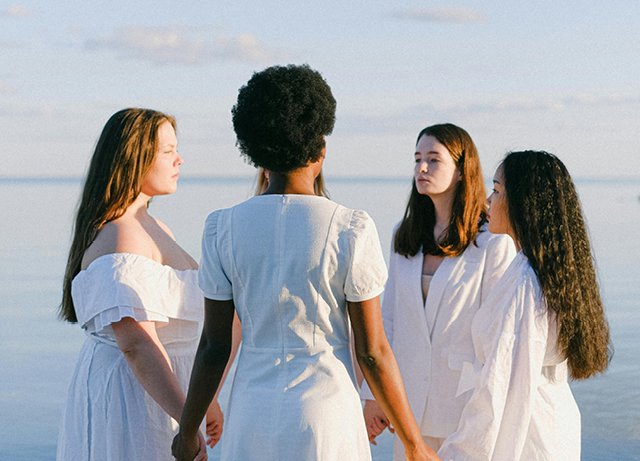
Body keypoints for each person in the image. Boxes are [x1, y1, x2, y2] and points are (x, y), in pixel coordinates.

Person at [172, 64, 438, 461]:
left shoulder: (221, 228)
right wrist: (415, 445)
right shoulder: (350, 227)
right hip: (325, 413)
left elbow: (213, 345)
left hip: (252, 414)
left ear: (256, 152)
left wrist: (187, 431)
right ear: (321, 149)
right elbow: (373, 351)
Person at [56, 108, 219, 460]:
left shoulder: (155, 228)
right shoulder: (120, 237)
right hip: (135, 402)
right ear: (135, 157)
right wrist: (187, 423)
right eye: (167, 151)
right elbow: (136, 344)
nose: (179, 159)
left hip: (166, 396)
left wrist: (206, 403)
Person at [438, 150, 611, 460]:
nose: (488, 201)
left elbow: (501, 387)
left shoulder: (525, 283)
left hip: (528, 434)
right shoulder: (547, 271)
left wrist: (457, 452)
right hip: (554, 422)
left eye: (497, 190)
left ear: (523, 202)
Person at [360, 123, 516, 458]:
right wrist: (373, 394)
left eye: (433, 159)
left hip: (466, 413)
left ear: (462, 170)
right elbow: (388, 321)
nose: (421, 168)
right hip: (408, 410)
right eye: (417, 159)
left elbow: (498, 337)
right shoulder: (404, 235)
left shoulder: (492, 241)